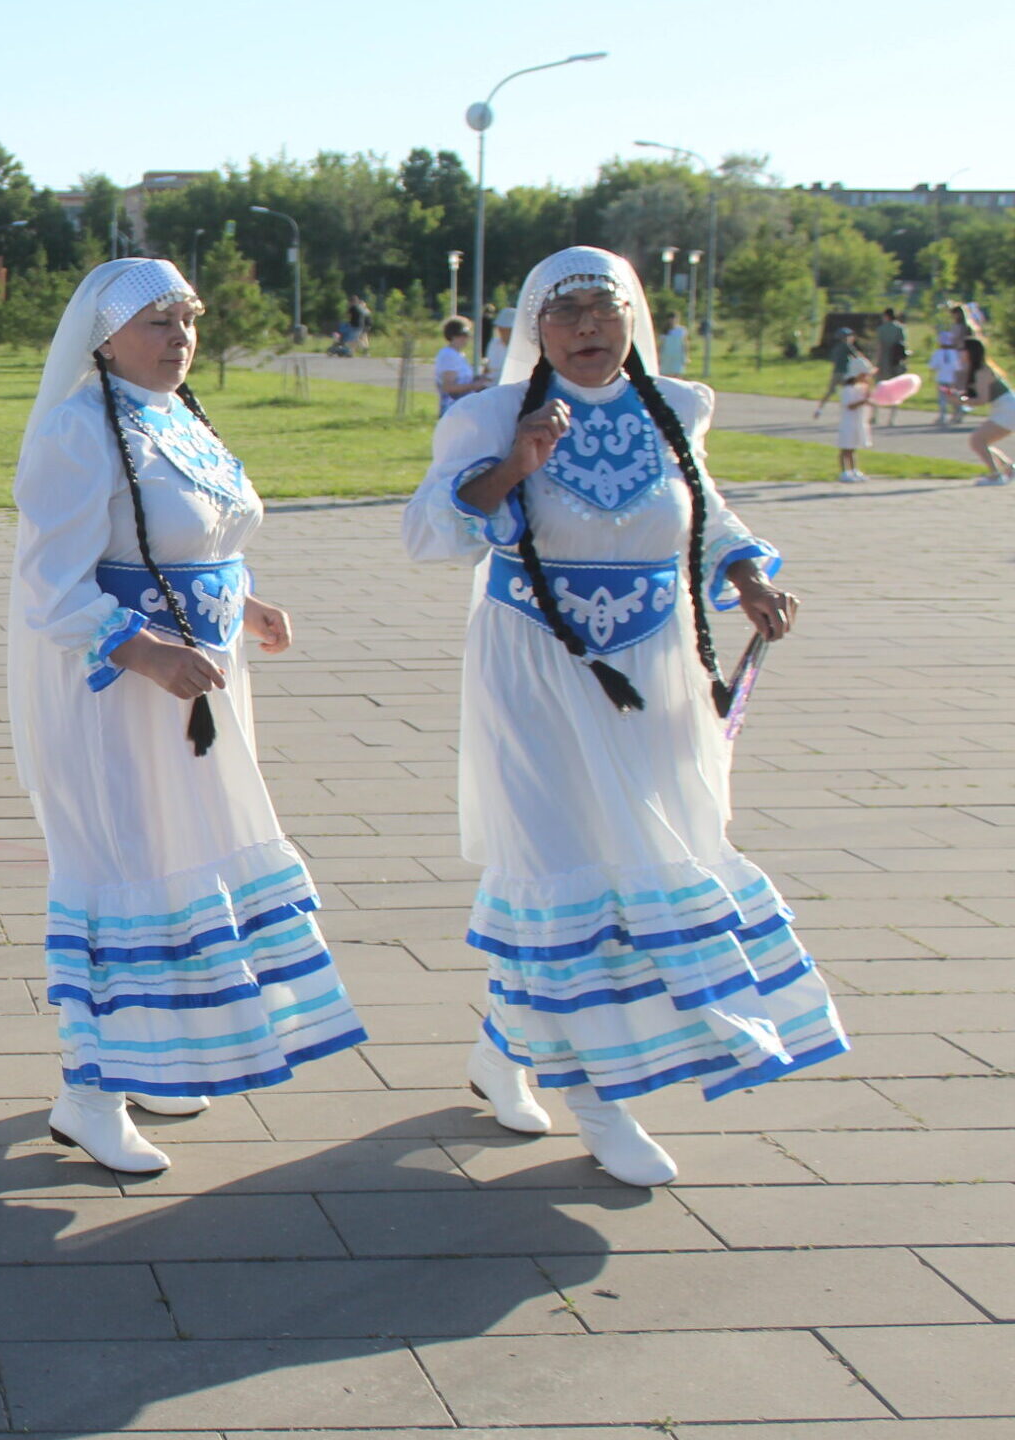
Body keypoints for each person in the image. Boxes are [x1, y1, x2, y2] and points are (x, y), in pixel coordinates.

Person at [403, 246, 842, 1186]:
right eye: (568, 316)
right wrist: (515, 465)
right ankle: (606, 1096)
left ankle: (505, 1051)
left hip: (657, 661)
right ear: (535, 329)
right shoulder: (490, 411)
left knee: (647, 857)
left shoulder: (677, 406)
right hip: (537, 665)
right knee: (563, 856)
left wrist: (747, 576)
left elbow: (703, 511)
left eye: (606, 308)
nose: (590, 329)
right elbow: (432, 530)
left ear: (634, 315)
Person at [7, 259, 366, 1176]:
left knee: (183, 860)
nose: (180, 338)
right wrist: (150, 651)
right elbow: (51, 588)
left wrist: (243, 604)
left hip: (198, 686)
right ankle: (88, 1094)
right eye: (160, 322)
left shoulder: (178, 416)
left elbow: (195, 538)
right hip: (119, 691)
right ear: (105, 336)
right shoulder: (77, 431)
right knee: (124, 861)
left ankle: (150, 1056)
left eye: (188, 319)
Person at [961, 334, 1014, 485]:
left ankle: (996, 475)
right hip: (1005, 408)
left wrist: (960, 400)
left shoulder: (982, 371)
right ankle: (1009, 468)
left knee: (978, 441)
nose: (959, 353)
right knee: (980, 442)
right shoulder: (979, 370)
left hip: (1008, 409)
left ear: (970, 352)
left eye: (962, 350)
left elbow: (981, 400)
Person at [434, 316, 488, 416]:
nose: (467, 338)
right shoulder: (449, 355)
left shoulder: (458, 355)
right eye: (464, 335)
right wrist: (474, 385)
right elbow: (448, 387)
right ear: (454, 336)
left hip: (462, 408)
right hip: (453, 409)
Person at [835, 350, 874, 482]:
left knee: (853, 448)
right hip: (848, 422)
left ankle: (854, 469)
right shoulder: (847, 389)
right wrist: (863, 401)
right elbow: (849, 405)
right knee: (846, 447)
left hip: (857, 421)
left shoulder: (860, 387)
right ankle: (844, 471)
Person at [931, 314, 966, 425]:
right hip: (953, 380)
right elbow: (959, 367)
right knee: (954, 398)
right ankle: (958, 414)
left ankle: (942, 416)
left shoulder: (938, 353)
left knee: (943, 399)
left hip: (942, 378)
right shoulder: (955, 353)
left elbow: (933, 366)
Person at [481, 306, 515, 384]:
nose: (502, 332)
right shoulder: (493, 343)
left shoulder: (522, 348)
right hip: (491, 387)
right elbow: (489, 367)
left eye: (506, 330)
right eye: (500, 329)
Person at [658, 310, 689, 378]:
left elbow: (685, 344)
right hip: (666, 355)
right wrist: (659, 356)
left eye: (675, 318)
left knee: (677, 374)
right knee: (666, 375)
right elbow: (661, 345)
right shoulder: (665, 331)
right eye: (671, 319)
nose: (673, 320)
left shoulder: (681, 330)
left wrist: (686, 356)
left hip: (677, 356)